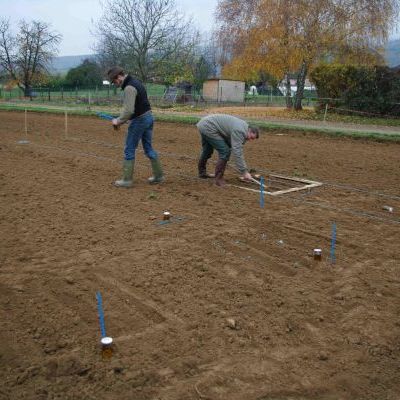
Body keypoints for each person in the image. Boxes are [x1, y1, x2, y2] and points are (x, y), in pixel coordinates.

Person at [107, 66, 164, 188]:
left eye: (114, 81)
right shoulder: (136, 82)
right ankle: (159, 176)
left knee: (129, 149)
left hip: (139, 120)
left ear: (118, 77)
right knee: (148, 148)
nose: (115, 84)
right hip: (149, 117)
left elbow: (128, 111)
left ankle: (127, 180)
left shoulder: (129, 87)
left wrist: (118, 121)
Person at [196, 114, 259, 186]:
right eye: (251, 137)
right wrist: (244, 172)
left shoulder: (244, 127)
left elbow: (230, 142)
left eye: (252, 139)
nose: (250, 140)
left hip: (205, 124)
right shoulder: (240, 131)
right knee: (225, 152)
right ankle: (218, 179)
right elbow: (237, 151)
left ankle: (202, 173)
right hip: (209, 127)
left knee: (207, 150)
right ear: (249, 131)